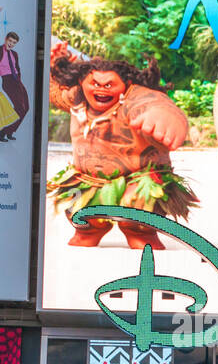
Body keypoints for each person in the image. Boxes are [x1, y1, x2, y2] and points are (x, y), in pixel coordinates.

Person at [47, 46, 198, 250]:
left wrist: (168, 118)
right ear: (82, 82)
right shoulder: (76, 97)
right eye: (95, 84)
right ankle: (89, 230)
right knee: (79, 211)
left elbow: (157, 104)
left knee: (138, 213)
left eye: (109, 84)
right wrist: (52, 67)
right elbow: (54, 92)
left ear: (126, 85)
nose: (101, 89)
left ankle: (141, 234)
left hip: (138, 180)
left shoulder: (135, 97)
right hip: (89, 180)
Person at [0, 31, 31, 138]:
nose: (11, 44)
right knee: (20, 108)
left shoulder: (14, 54)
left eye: (14, 43)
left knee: (26, 107)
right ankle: (3, 131)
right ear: (6, 39)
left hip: (17, 81)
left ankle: (9, 131)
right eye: (10, 41)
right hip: (8, 80)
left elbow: (17, 68)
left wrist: (19, 81)